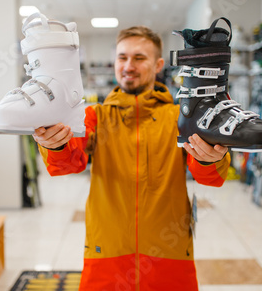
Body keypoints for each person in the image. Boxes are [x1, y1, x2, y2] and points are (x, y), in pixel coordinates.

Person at [32, 26, 230, 290]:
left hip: (169, 253)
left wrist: (209, 158)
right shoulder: (95, 117)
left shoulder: (180, 118)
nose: (128, 66)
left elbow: (210, 176)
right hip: (107, 252)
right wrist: (54, 144)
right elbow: (68, 163)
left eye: (139, 58)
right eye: (122, 57)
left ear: (158, 64)